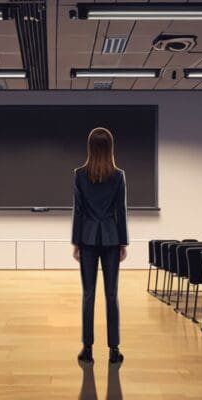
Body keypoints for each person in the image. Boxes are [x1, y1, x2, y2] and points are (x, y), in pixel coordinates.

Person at [72, 127, 128, 364]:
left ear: (90, 148)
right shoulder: (118, 176)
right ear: (110, 148)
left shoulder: (79, 174)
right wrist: (123, 242)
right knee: (112, 295)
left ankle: (87, 349)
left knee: (88, 295)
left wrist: (76, 242)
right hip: (111, 239)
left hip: (87, 239)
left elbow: (78, 211)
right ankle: (114, 349)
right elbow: (120, 211)